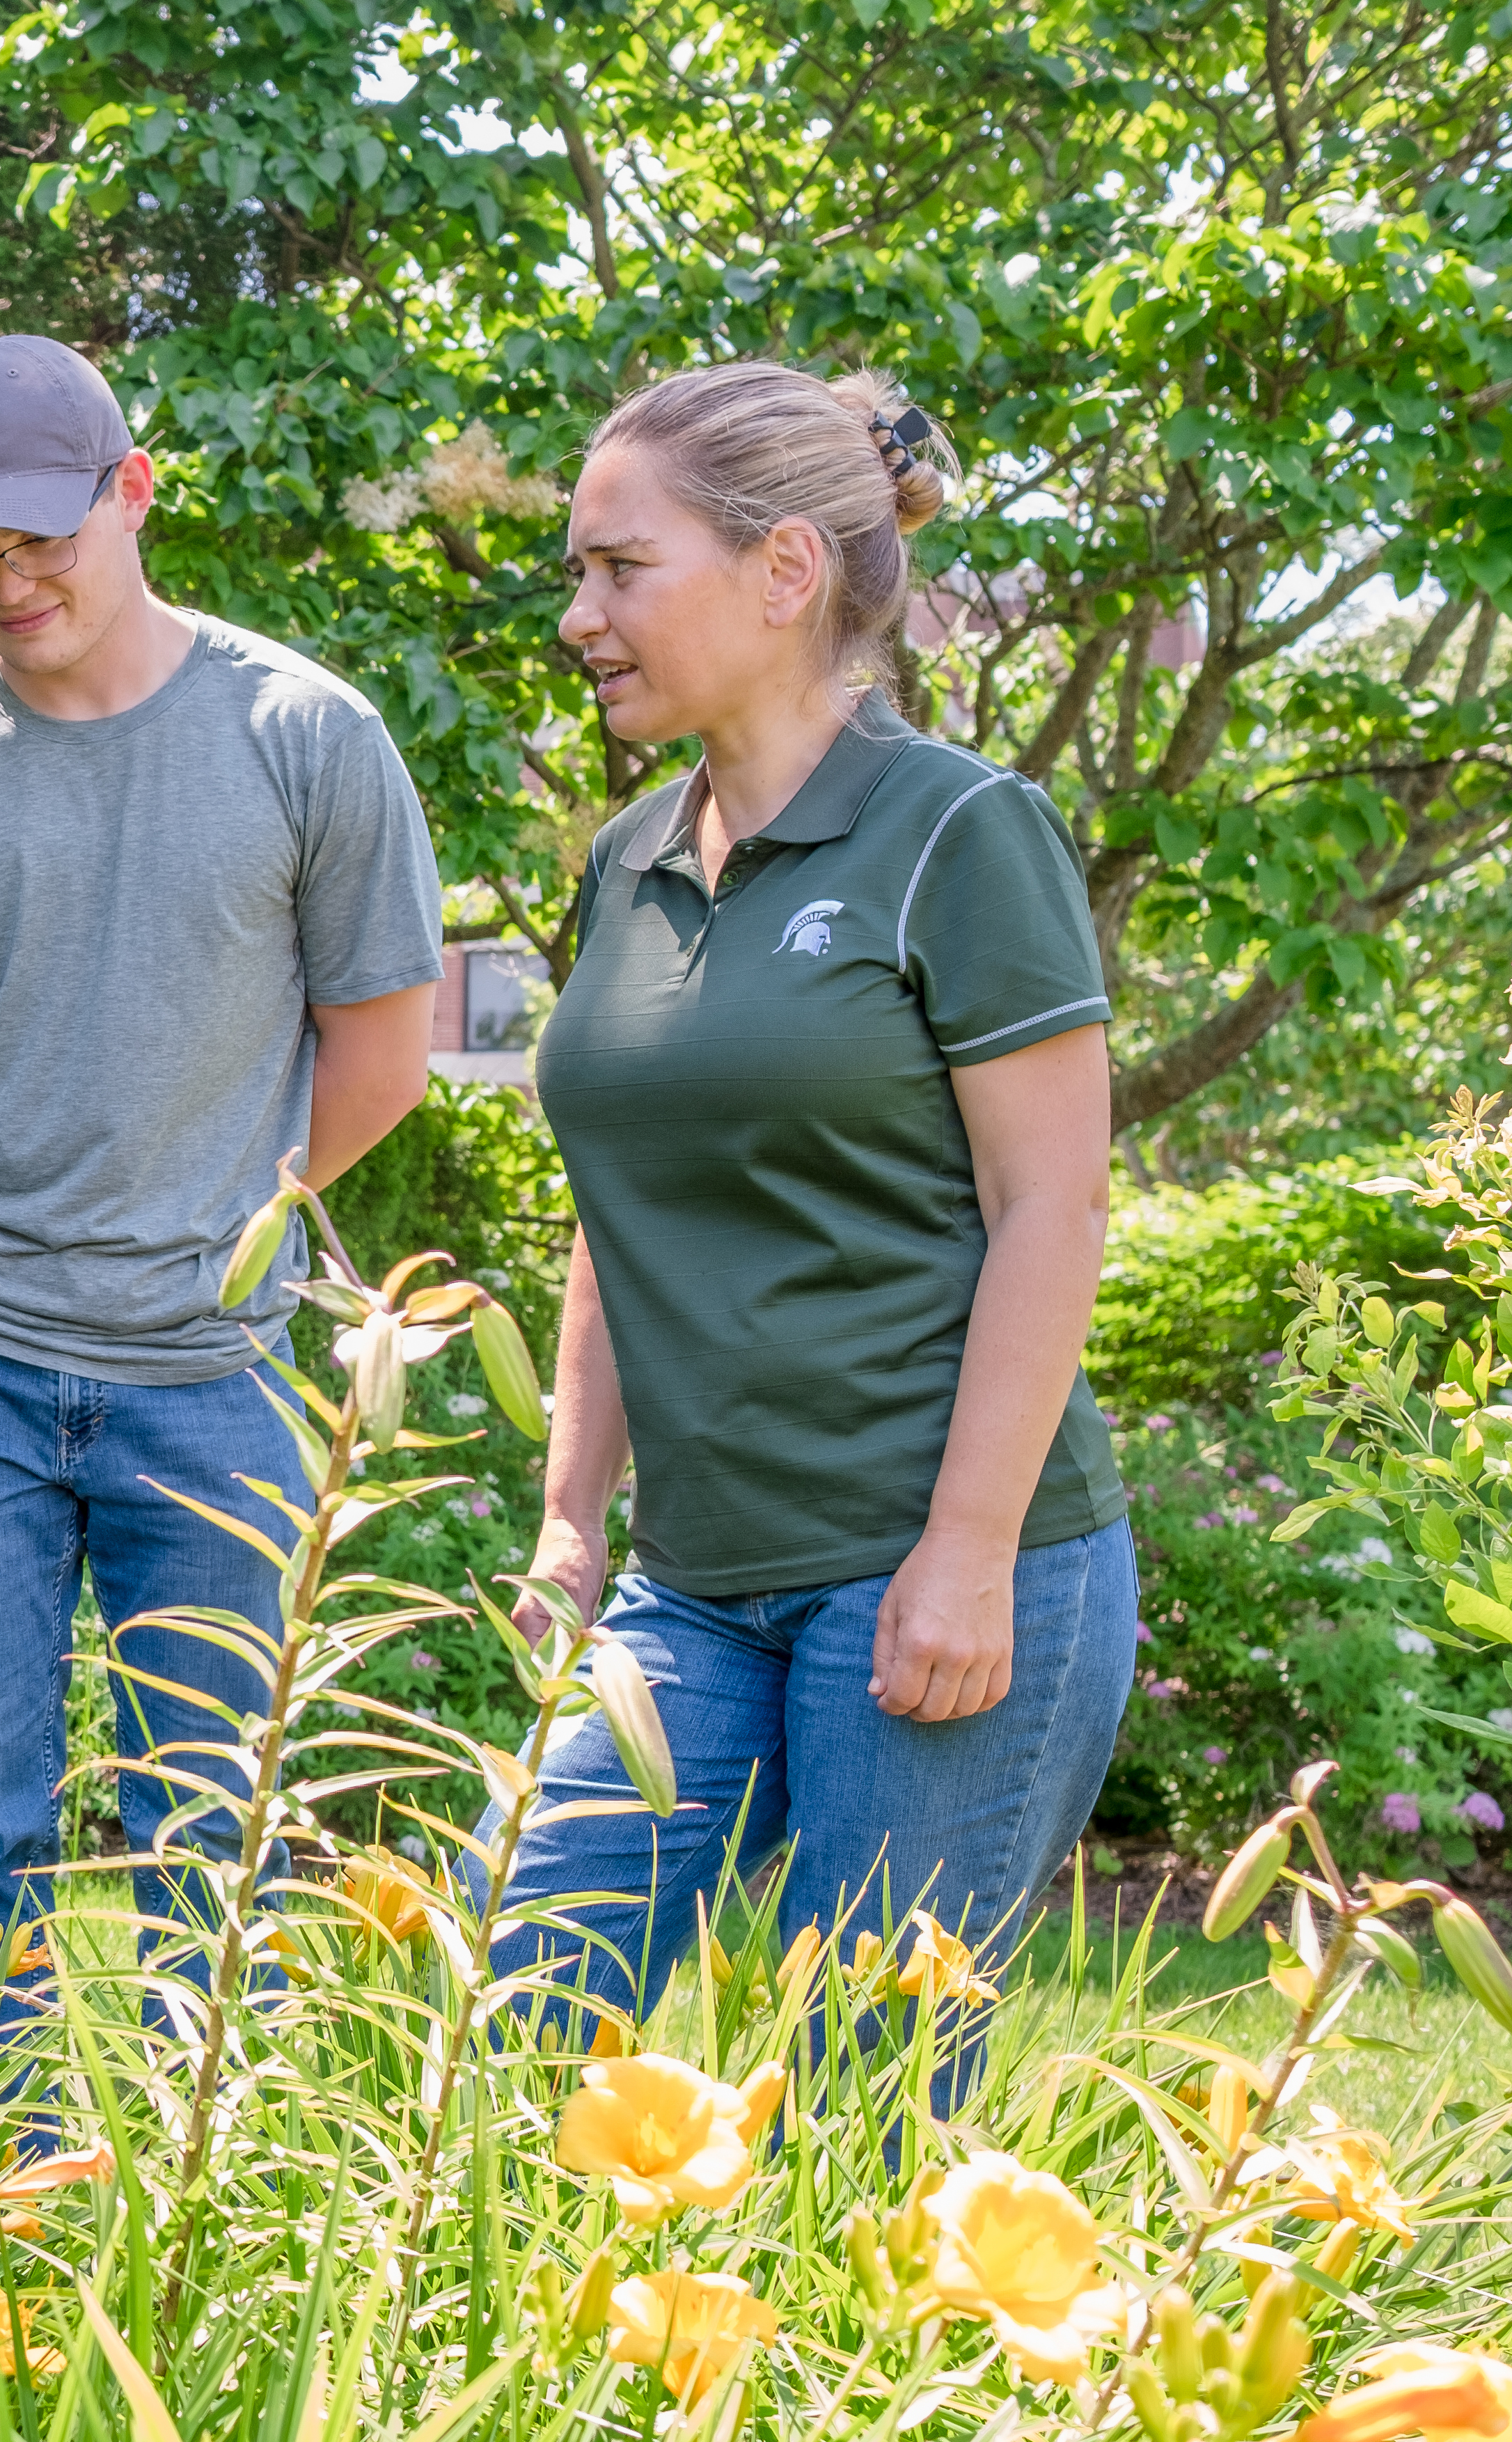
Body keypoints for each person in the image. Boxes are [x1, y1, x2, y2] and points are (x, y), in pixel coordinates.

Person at [504, 363, 1133, 2085]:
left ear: (784, 571)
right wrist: (572, 1513)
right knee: (517, 2047)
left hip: (924, 1569)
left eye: (620, 569)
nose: (582, 616)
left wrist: (970, 1550)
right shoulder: (629, 857)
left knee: (855, 2110)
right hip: (692, 1588)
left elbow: (1052, 1204)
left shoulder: (961, 837)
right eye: (580, 571)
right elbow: (618, 1205)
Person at [0, 334, 442, 1973]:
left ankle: (197, 2211)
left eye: (41, 541)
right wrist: (30, 1229)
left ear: (134, 491)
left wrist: (217, 1219)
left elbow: (381, 1059)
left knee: (221, 1835)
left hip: (217, 1371)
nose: (8, 585)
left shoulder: (307, 734)